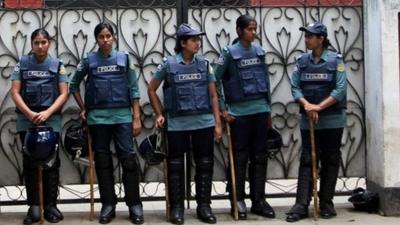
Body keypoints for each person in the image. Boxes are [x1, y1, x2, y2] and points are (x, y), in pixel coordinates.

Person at [147, 23, 222, 224]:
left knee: (205, 165)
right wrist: (158, 114)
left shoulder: (205, 64)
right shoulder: (168, 65)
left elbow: (214, 95)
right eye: (193, 40)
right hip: (177, 124)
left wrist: (217, 123)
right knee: (176, 166)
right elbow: (151, 89)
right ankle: (177, 208)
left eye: (198, 39)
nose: (197, 43)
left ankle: (204, 207)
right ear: (182, 43)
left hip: (203, 123)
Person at [69, 22, 143, 224]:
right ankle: (108, 205)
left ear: (114, 37)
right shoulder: (88, 60)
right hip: (98, 119)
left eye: (109, 36)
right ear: (97, 39)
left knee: (128, 160)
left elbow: (135, 89)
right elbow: (73, 85)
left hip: (122, 118)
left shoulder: (125, 58)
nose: (106, 40)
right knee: (103, 162)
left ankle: (134, 205)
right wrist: (84, 107)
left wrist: (136, 117)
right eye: (101, 37)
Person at [214, 15, 275, 220]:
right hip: (238, 114)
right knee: (239, 158)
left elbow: (265, 80)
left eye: (255, 29)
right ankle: (237, 200)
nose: (253, 32)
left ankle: (259, 200)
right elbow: (215, 79)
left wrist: (268, 109)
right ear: (239, 30)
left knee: (260, 157)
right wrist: (223, 109)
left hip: (259, 111)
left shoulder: (259, 51)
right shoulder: (229, 53)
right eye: (249, 29)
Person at [285, 21, 347, 222]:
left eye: (310, 36)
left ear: (321, 39)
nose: (306, 39)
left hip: (332, 120)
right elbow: (295, 87)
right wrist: (307, 105)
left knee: (330, 159)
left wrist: (318, 107)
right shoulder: (302, 61)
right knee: (307, 160)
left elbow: (340, 89)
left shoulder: (335, 60)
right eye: (306, 36)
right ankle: (301, 204)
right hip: (309, 120)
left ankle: (326, 202)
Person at [11, 28, 69, 224]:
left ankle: (50, 206)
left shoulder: (57, 65)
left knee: (51, 164)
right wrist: (29, 113)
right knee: (29, 164)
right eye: (36, 42)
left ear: (49, 43)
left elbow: (63, 93)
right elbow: (15, 92)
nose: (40, 46)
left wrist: (47, 113)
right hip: (27, 121)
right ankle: (34, 207)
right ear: (32, 44)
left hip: (50, 120)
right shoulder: (22, 64)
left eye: (43, 42)